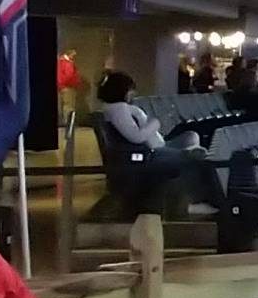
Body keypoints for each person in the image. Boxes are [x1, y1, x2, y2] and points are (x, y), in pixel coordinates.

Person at [94, 70, 221, 213]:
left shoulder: (117, 109)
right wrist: (157, 122)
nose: (133, 93)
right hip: (150, 154)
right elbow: (137, 137)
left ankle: (192, 154)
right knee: (199, 162)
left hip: (153, 148)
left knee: (190, 137)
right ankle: (199, 202)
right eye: (130, 90)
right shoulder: (118, 110)